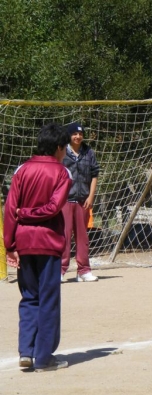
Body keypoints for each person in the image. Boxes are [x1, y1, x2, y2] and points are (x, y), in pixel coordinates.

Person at [3, 123, 73, 372]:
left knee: (29, 297)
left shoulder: (21, 170)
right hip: (48, 242)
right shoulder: (62, 173)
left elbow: (10, 209)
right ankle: (44, 358)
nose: (65, 153)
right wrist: (29, 213)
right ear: (57, 147)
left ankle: (26, 352)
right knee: (48, 300)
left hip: (24, 241)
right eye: (64, 148)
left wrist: (9, 244)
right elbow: (53, 208)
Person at [61, 122, 100, 282]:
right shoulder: (62, 151)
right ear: (69, 136)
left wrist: (91, 197)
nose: (78, 137)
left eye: (80, 134)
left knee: (82, 237)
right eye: (74, 134)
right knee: (63, 236)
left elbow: (94, 174)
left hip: (83, 200)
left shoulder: (88, 152)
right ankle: (60, 270)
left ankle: (83, 271)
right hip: (65, 200)